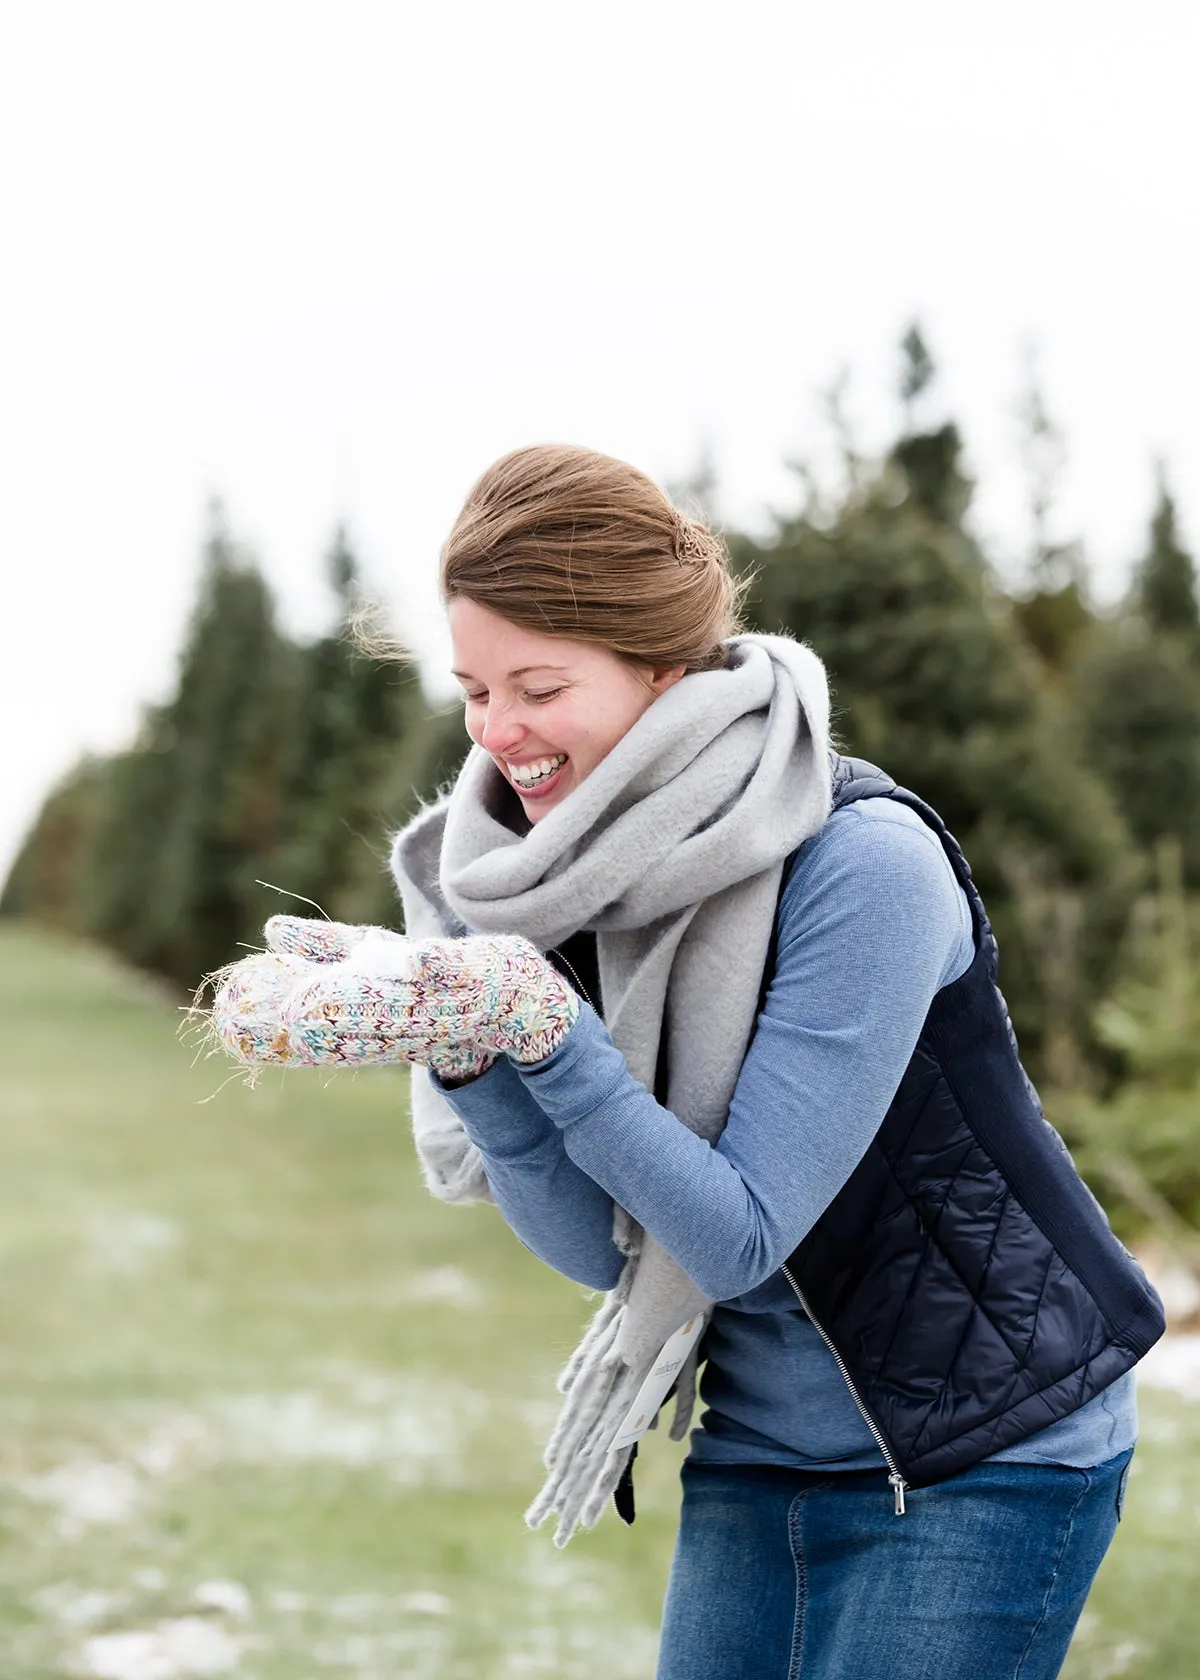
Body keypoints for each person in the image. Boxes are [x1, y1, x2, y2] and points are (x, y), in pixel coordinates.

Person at [210, 443, 1164, 1680]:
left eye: (538, 687)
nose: (497, 735)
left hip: (984, 1452)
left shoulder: (864, 866)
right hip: (761, 1442)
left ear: (663, 670)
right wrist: (476, 1049)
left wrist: (542, 1029)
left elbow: (736, 1235)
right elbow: (598, 1247)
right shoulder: (549, 882)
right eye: (472, 691)